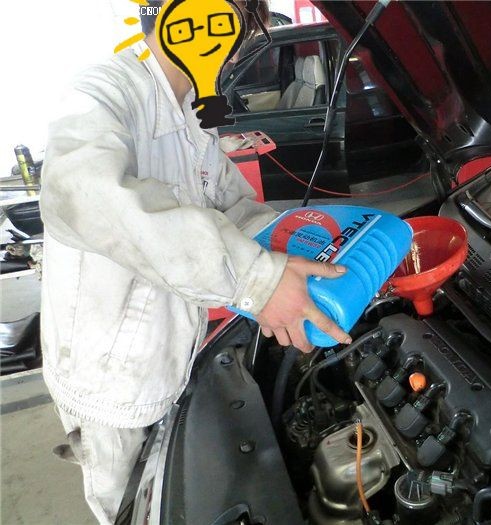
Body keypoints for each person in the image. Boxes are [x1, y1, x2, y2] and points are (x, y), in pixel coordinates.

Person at [39, 1, 350, 523]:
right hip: (111, 380)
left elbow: (234, 208)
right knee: (133, 508)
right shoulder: (104, 92)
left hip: (172, 352)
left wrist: (300, 254)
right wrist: (257, 280)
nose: (235, 45)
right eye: (237, 21)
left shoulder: (191, 113)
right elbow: (81, 192)